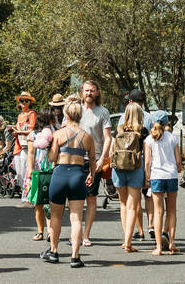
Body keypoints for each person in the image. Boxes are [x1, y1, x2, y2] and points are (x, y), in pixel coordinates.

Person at [42, 97, 96, 268]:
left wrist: (48, 146)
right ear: (80, 115)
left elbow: (52, 158)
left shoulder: (58, 134)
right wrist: (92, 175)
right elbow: (93, 160)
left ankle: (54, 251)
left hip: (59, 174)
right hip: (77, 175)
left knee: (56, 216)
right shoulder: (87, 137)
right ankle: (75, 256)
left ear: (66, 114)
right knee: (76, 218)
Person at [110, 102, 148, 252]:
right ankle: (128, 241)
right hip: (135, 169)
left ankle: (125, 238)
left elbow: (111, 152)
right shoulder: (142, 132)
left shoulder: (118, 131)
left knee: (123, 204)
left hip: (118, 169)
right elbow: (147, 154)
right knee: (133, 205)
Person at [79, 80, 112, 246]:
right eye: (86, 91)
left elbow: (108, 138)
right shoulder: (75, 110)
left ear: (97, 92)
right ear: (82, 92)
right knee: (75, 199)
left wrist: (102, 159)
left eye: (92, 91)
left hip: (94, 161)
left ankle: (86, 235)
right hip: (75, 160)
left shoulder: (103, 112)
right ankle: (75, 233)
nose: (89, 94)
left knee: (91, 198)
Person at [144, 110, 181, 256]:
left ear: (153, 122)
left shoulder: (149, 139)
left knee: (158, 212)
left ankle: (158, 246)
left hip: (157, 176)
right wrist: (178, 168)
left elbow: (147, 161)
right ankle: (171, 242)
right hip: (171, 175)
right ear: (167, 123)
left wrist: (148, 175)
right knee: (171, 211)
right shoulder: (173, 138)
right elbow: (178, 161)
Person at [26, 108, 55, 241]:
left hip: (51, 168)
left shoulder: (55, 132)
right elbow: (31, 153)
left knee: (49, 203)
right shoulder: (33, 134)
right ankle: (40, 231)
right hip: (38, 170)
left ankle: (50, 231)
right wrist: (30, 169)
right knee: (38, 202)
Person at [126, 88, 151, 240]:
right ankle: (152, 226)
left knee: (133, 199)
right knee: (148, 196)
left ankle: (140, 230)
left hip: (130, 162)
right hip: (146, 159)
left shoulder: (125, 119)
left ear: (130, 102)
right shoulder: (150, 118)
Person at [10, 91, 37, 208]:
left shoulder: (32, 114)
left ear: (30, 102)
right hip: (19, 146)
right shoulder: (20, 116)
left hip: (28, 146)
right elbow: (17, 129)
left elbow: (32, 130)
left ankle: (28, 198)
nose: (24, 103)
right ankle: (24, 196)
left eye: (26, 101)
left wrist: (19, 132)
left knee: (27, 172)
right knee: (20, 173)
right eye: (22, 101)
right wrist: (13, 131)